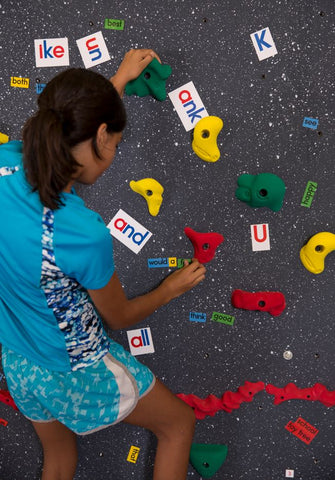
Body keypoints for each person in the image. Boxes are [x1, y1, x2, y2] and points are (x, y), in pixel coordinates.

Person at [0, 49, 206, 480]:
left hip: (19, 362)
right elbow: (120, 316)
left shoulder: (8, 161)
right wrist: (170, 289)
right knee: (178, 425)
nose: (113, 152)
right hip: (75, 370)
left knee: (58, 464)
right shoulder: (84, 233)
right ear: (100, 136)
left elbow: (70, 134)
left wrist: (116, 83)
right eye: (113, 140)